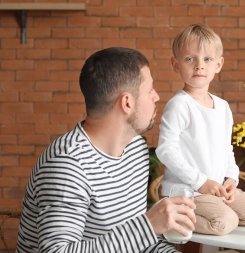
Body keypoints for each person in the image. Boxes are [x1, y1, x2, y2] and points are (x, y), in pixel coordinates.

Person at [16, 47, 196, 253]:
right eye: (150, 90)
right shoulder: (68, 165)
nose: (156, 97)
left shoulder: (135, 148)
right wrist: (148, 225)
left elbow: (138, 243)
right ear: (127, 102)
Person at [156, 24, 245, 236]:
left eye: (207, 59)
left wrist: (231, 178)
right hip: (188, 191)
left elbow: (226, 148)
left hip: (216, 189)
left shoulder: (223, 107)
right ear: (175, 64)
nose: (199, 66)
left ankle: (221, 207)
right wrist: (201, 182)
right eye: (190, 59)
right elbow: (166, 150)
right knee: (225, 221)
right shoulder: (179, 105)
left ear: (218, 64)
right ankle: (173, 220)